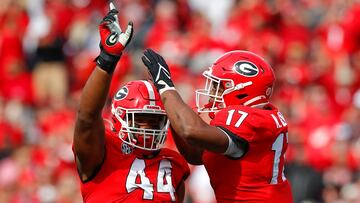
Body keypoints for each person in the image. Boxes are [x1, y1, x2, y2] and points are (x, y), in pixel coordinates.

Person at [142, 49, 294, 202]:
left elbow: (190, 131)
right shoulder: (262, 115)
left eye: (219, 87)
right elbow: (195, 155)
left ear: (243, 91)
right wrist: (168, 106)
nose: (212, 92)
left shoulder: (250, 118)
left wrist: (165, 86)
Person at [73, 4, 189, 203]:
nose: (149, 128)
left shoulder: (174, 163)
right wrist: (107, 60)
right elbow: (86, 117)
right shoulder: (103, 150)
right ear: (120, 117)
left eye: (156, 121)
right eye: (142, 119)